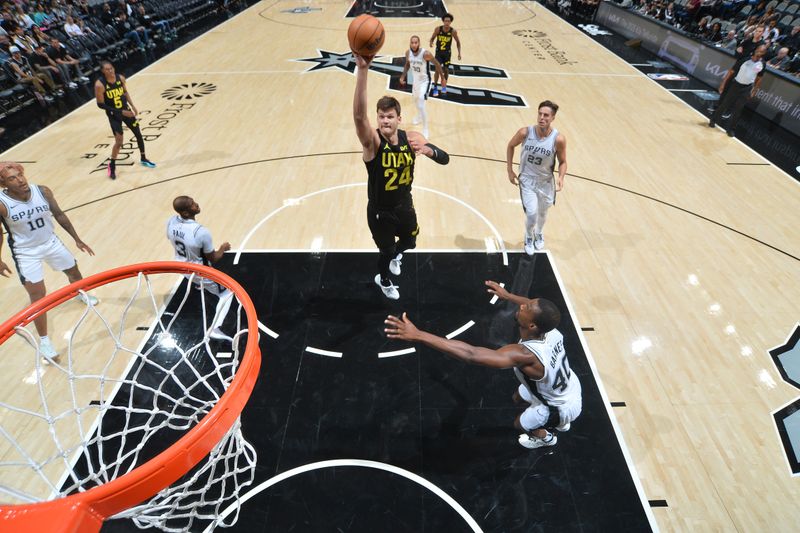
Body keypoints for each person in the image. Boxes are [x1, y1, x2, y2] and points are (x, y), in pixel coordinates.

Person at [384, 280, 582, 449]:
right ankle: (560, 422)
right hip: (568, 386)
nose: (523, 306)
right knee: (517, 398)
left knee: (520, 424)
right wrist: (508, 295)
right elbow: (530, 303)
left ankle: (547, 437)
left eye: (527, 309)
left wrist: (419, 335)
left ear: (532, 326)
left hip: (559, 407)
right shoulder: (551, 330)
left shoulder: (525, 355)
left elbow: (471, 354)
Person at [352, 53, 450, 300]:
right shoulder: (372, 143)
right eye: (381, 116)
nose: (385, 120)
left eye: (389, 116)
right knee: (385, 252)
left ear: (398, 119)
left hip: (404, 204)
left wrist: (429, 150)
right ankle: (383, 280)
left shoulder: (412, 138)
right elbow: (358, 117)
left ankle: (397, 254)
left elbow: (445, 158)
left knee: (411, 243)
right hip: (380, 211)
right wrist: (363, 70)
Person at [0, 162, 97, 361]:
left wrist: (77, 239)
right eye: (12, 178)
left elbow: (59, 214)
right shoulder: (2, 203)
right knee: (38, 296)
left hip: (51, 242)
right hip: (25, 252)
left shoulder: (42, 191)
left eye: (20, 175)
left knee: (73, 271)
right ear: (4, 184)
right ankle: (44, 341)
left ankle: (79, 293)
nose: (20, 180)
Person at [166, 196, 233, 341]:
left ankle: (199, 284)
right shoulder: (200, 232)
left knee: (196, 275)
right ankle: (215, 328)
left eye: (194, 201)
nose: (196, 204)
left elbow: (171, 238)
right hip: (199, 272)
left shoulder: (171, 221)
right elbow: (213, 258)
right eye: (192, 205)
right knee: (227, 293)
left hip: (180, 265)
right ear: (185, 212)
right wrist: (222, 248)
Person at [506, 100, 567, 254]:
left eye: (546, 115)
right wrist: (510, 169)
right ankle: (528, 236)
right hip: (527, 180)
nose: (541, 118)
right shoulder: (525, 133)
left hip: (546, 182)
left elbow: (563, 162)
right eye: (539, 114)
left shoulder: (558, 139)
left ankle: (539, 232)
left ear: (553, 117)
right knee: (531, 213)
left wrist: (561, 177)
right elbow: (510, 145)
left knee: (543, 213)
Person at [94, 60, 156, 179]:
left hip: (126, 110)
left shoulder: (120, 78)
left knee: (138, 134)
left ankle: (143, 158)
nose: (111, 71)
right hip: (114, 114)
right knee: (119, 142)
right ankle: (112, 165)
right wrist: (122, 112)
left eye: (111, 68)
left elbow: (125, 92)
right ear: (103, 71)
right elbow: (100, 104)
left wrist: (132, 106)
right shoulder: (99, 85)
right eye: (107, 69)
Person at [709, 44, 767, 137]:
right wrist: (723, 84)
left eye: (762, 52)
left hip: (747, 88)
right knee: (725, 104)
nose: (760, 53)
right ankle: (713, 120)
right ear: (756, 50)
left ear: (764, 54)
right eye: (759, 51)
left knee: (738, 109)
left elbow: (759, 78)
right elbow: (731, 71)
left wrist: (754, 90)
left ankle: (731, 129)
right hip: (736, 85)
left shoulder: (762, 64)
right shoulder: (745, 59)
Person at [399, 35, 445, 139]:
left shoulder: (426, 54)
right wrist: (402, 76)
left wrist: (442, 78)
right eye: (412, 42)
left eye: (416, 42)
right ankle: (419, 116)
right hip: (415, 82)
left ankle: (425, 129)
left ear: (419, 43)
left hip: (425, 81)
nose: (414, 44)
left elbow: (437, 64)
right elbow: (407, 64)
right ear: (410, 43)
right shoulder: (408, 53)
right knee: (415, 101)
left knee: (420, 102)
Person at [428, 13, 461, 97]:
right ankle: (435, 86)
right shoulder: (438, 29)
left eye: (448, 21)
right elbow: (432, 37)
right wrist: (431, 42)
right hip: (438, 53)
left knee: (446, 70)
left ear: (450, 22)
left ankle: (444, 85)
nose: (447, 22)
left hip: (447, 53)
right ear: (443, 21)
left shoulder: (453, 31)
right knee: (437, 70)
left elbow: (458, 42)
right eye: (445, 21)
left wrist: (459, 53)